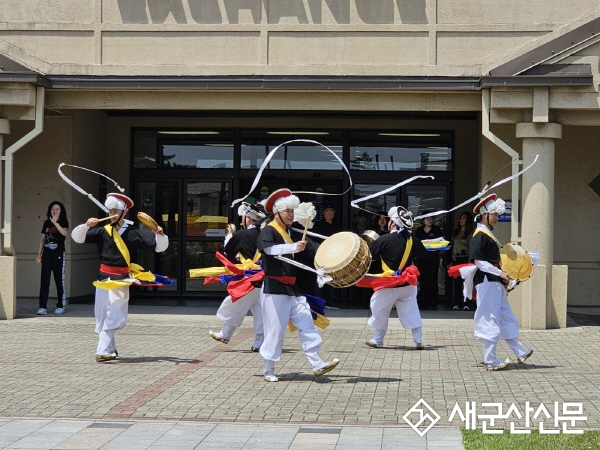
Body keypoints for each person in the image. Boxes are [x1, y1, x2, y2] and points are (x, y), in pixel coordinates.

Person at [71, 193, 169, 362]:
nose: (112, 214)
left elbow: (160, 248)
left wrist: (159, 234)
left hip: (121, 279)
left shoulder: (132, 233)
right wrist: (86, 226)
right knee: (102, 314)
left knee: (117, 315)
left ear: (124, 212)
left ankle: (102, 350)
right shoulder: (102, 230)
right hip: (103, 278)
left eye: (115, 211)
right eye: (110, 211)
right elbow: (76, 238)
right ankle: (109, 349)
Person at [257, 188, 339, 382]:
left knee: (307, 323)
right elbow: (266, 249)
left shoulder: (290, 232)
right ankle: (268, 369)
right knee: (275, 330)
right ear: (277, 213)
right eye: (287, 211)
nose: (291, 215)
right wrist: (293, 247)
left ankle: (317, 363)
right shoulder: (268, 230)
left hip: (292, 289)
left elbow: (310, 249)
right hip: (274, 288)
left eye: (292, 211)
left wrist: (330, 255)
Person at [470, 193, 533, 371]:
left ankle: (520, 352)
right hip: (487, 282)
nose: (497, 218)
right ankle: (490, 360)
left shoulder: (487, 234)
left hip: (495, 282)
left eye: (497, 215)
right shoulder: (479, 235)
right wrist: (501, 273)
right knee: (489, 318)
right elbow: (478, 261)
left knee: (506, 317)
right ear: (485, 215)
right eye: (495, 215)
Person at [361, 206, 426, 349]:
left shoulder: (384, 240)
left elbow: (370, 259)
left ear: (393, 223)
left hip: (389, 284)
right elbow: (423, 255)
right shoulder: (413, 240)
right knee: (412, 309)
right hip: (408, 284)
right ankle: (418, 339)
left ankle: (377, 340)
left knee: (379, 308)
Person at [209, 202, 265, 351]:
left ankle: (225, 334)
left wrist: (229, 236)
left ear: (248, 218)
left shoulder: (242, 234)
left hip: (249, 278)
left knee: (235, 303)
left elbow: (228, 251)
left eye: (243, 217)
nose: (242, 220)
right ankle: (258, 341)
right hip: (262, 277)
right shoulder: (264, 234)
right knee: (259, 310)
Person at [37, 201, 69, 315]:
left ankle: (61, 305)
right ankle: (42, 307)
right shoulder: (46, 223)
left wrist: (56, 223)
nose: (55, 211)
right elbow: (42, 239)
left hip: (59, 254)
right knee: (44, 280)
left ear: (61, 211)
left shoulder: (64, 222)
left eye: (57, 209)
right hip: (46, 254)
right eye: (53, 209)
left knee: (59, 280)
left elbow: (64, 233)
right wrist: (39, 253)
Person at [311, 205, 340, 308]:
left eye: (331, 212)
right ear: (324, 214)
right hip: (321, 255)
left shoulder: (337, 226)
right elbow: (312, 240)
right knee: (320, 278)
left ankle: (331, 302)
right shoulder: (318, 225)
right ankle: (319, 302)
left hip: (334, 255)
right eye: (327, 212)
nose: (329, 214)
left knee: (332, 278)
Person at [414, 214, 444, 310]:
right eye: (427, 218)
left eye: (431, 218)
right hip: (422, 259)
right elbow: (415, 245)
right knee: (423, 280)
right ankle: (424, 302)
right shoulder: (419, 231)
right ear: (423, 220)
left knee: (433, 280)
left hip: (433, 259)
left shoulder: (437, 230)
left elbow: (441, 243)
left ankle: (433, 303)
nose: (429, 220)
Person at [450, 212, 475, 311]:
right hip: (456, 259)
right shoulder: (456, 232)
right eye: (461, 218)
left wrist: (470, 262)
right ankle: (456, 303)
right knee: (457, 283)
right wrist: (451, 261)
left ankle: (467, 303)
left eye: (464, 218)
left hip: (466, 259)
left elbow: (472, 248)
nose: (461, 220)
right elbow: (452, 247)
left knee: (467, 283)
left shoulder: (471, 233)